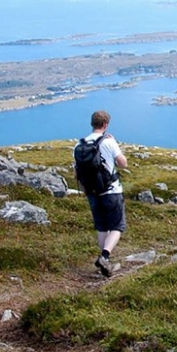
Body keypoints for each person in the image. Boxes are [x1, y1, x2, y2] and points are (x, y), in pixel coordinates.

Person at [76, 110, 129, 277]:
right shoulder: (108, 142)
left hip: (92, 193)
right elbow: (123, 164)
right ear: (105, 125)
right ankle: (104, 257)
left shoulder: (80, 145)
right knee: (117, 226)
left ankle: (104, 262)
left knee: (101, 227)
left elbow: (76, 173)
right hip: (111, 191)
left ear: (92, 123)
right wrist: (114, 144)